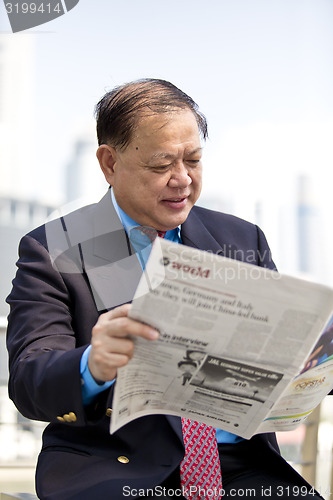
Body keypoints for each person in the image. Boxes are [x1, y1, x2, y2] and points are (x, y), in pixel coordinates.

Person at [6, 79, 324, 500]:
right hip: (117, 468)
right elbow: (30, 381)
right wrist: (91, 365)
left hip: (244, 471)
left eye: (193, 160)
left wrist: (315, 359)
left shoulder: (243, 240)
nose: (183, 180)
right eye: (161, 166)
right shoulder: (55, 248)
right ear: (109, 163)